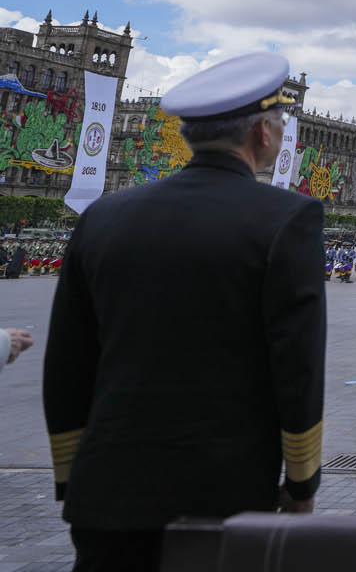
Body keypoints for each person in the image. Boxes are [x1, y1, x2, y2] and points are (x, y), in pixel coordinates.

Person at [44, 53, 326, 572]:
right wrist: (303, 481)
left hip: (107, 492)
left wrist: (72, 474)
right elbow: (298, 366)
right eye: (281, 125)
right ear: (262, 134)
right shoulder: (287, 218)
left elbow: (66, 363)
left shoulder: (103, 216)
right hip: (222, 494)